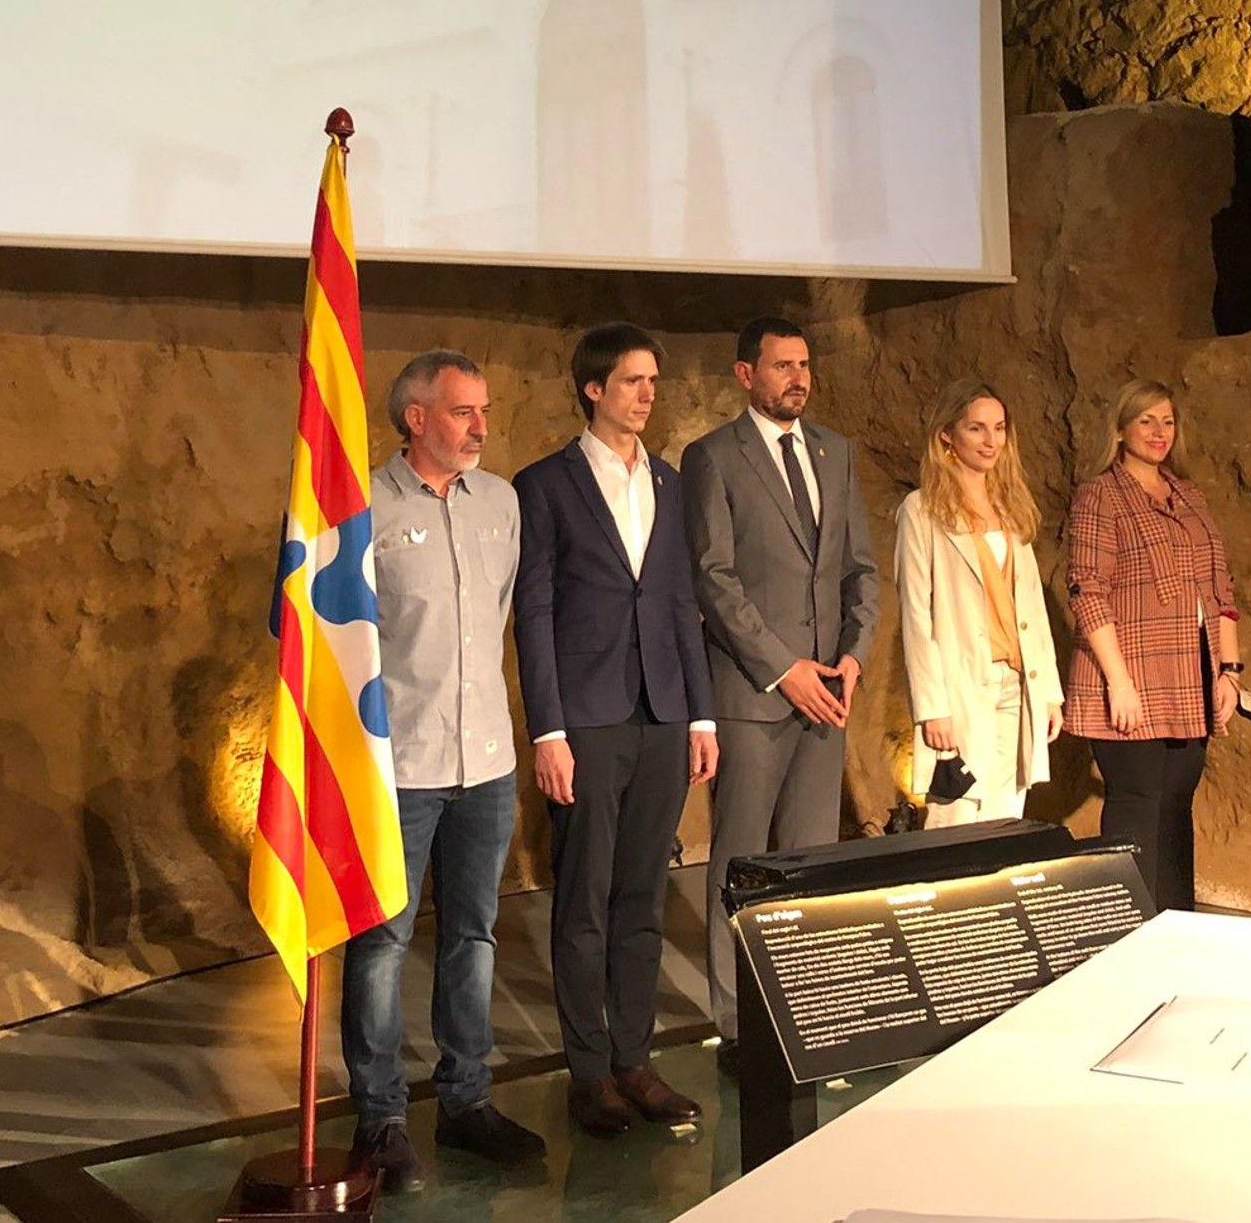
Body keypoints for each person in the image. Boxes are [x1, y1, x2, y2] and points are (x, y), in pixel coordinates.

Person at [342, 351, 545, 1193]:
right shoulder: (360, 509)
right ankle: (380, 1117)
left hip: (486, 758)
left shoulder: (500, 501)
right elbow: (329, 637)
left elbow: (496, 615)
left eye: (484, 411)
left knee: (474, 936)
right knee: (384, 942)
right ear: (416, 418)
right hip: (400, 767)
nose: (481, 428)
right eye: (463, 412)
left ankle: (466, 1102)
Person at [512, 322, 718, 1137]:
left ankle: (635, 1061)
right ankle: (588, 1071)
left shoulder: (667, 485)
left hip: (662, 712)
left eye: (653, 382)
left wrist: (700, 712)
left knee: (642, 893)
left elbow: (679, 604)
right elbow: (533, 611)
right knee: (585, 899)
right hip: (588, 717)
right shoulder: (546, 485)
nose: (647, 395)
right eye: (633, 381)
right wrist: (547, 730)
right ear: (593, 388)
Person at [682, 316, 880, 1073]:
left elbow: (860, 568)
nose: (797, 378)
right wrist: (783, 667)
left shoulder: (836, 453)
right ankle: (739, 1025)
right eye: (781, 366)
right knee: (743, 861)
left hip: (828, 695)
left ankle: (810, 1011)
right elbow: (714, 578)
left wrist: (853, 657)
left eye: (804, 365)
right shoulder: (713, 458)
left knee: (811, 863)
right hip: (756, 693)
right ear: (745, 375)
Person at [1064, 378, 1243, 912]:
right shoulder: (1100, 494)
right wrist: (1119, 682)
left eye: (1167, 420)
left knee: (1176, 806)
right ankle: (1130, 931)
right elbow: (1087, 590)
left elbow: (1220, 589)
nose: (1159, 432)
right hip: (1130, 677)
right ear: (1120, 429)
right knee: (1138, 805)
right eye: (1146, 420)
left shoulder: (1188, 495)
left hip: (1190, 678)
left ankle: (1176, 929)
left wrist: (1229, 671)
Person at [895, 379, 1064, 826]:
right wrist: (932, 707)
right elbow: (916, 615)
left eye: (999, 428)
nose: (991, 440)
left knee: (1007, 813)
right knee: (957, 816)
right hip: (962, 683)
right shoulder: (922, 510)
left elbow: (1031, 608)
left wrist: (1047, 692)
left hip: (1016, 682)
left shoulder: (1010, 506)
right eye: (977, 429)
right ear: (948, 435)